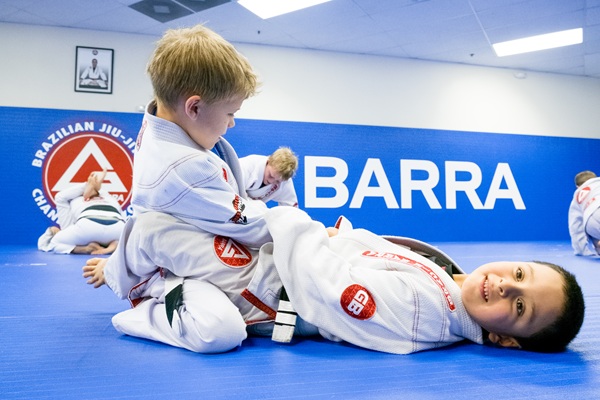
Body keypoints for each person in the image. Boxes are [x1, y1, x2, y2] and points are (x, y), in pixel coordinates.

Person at [83, 206, 585, 355]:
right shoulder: (444, 278)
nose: (505, 286)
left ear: (504, 340)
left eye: (518, 307)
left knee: (153, 229)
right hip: (268, 266)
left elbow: (326, 286)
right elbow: (367, 243)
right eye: (519, 273)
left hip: (262, 285)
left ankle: (127, 283)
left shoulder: (428, 312)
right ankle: (147, 281)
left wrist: (287, 219)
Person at [123, 23, 270, 248]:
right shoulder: (187, 168)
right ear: (194, 108)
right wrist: (307, 233)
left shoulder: (157, 118)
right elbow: (251, 226)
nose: (232, 123)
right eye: (230, 113)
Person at [38, 169, 125, 255]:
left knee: (54, 243)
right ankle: (116, 244)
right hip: (118, 228)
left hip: (88, 225)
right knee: (127, 240)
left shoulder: (75, 200)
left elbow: (60, 197)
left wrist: (88, 184)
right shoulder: (110, 199)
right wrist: (93, 184)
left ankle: (87, 249)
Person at [568, 170, 600, 256]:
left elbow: (576, 226)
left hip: (592, 219)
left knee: (594, 232)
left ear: (577, 186)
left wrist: (580, 250)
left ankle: (598, 245)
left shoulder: (578, 195)